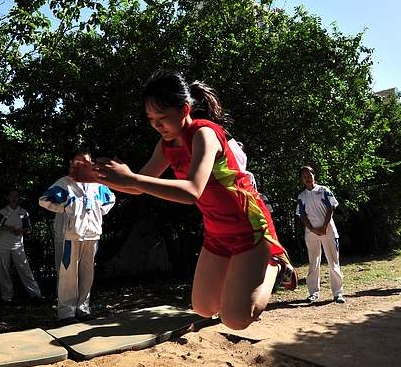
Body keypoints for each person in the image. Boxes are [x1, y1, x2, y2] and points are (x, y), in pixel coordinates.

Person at [92, 70, 297, 331]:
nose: (157, 125)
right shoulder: (166, 145)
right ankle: (259, 269)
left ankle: (274, 263)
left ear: (185, 109)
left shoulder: (204, 134)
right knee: (204, 307)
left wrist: (131, 178)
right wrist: (97, 177)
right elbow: (138, 186)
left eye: (162, 118)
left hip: (249, 227)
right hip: (217, 231)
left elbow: (192, 191)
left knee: (235, 319)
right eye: (151, 119)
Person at [39, 149, 116, 322]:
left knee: (87, 272)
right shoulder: (65, 183)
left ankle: (83, 308)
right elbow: (45, 200)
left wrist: (98, 212)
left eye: (86, 162)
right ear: (72, 163)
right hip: (73, 234)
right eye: (78, 162)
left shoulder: (97, 184)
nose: (82, 165)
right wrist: (65, 208)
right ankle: (66, 312)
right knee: (68, 273)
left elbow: (110, 199)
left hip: (92, 233)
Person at [296, 166, 345, 304]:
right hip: (311, 233)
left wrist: (324, 227)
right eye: (304, 176)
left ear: (314, 175)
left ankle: (338, 293)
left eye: (309, 175)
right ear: (301, 179)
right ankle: (313, 293)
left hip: (328, 231)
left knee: (333, 262)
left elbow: (330, 208)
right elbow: (302, 215)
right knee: (313, 263)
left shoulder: (324, 190)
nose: (307, 178)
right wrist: (313, 229)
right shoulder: (301, 196)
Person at [0, 189, 43, 303]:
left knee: (25, 269)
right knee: (4, 270)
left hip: (18, 245)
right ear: (8, 198)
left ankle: (36, 295)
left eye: (16, 196)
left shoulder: (23, 213)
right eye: (11, 196)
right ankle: (6, 297)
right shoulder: (2, 212)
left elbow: (27, 228)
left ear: (19, 198)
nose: (14, 198)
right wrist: (7, 228)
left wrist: (20, 231)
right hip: (3, 245)